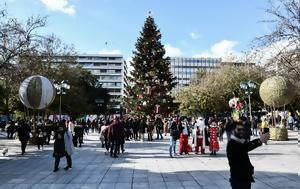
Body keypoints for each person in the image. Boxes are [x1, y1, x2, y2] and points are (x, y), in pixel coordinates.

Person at [227, 122, 269, 189]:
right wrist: (259, 141)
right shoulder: (232, 144)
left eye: (242, 129)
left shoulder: (238, 142)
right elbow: (245, 148)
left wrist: (260, 140)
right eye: (239, 130)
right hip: (239, 180)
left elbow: (245, 147)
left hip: (244, 178)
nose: (241, 131)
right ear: (232, 131)